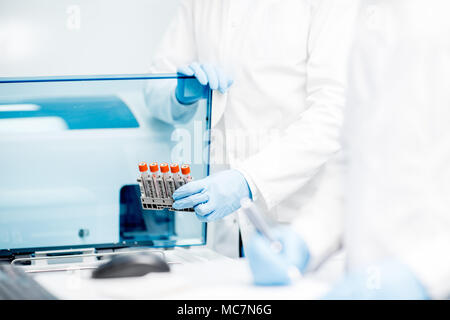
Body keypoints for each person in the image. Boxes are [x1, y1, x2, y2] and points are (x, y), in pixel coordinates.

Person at [245, 0, 450, 299]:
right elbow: (354, 165)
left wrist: (423, 275)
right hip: (364, 278)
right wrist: (305, 240)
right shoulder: (371, 19)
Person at [146, 0, 358, 258]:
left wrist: (247, 181)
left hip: (300, 222)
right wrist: (180, 95)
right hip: (223, 230)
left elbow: (334, 111)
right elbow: (155, 85)